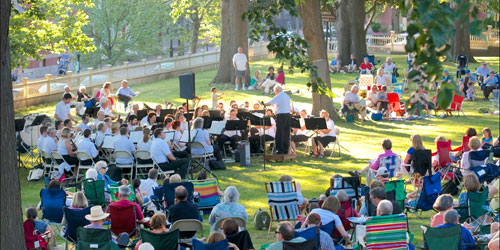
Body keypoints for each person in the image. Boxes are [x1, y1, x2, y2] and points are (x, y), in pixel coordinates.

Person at [265, 85, 291, 155]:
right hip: (288, 115)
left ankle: (280, 151)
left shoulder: (278, 96)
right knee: (286, 133)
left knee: (280, 133)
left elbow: (269, 103)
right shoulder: (286, 96)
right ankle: (286, 150)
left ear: (276, 90)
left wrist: (263, 104)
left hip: (281, 116)